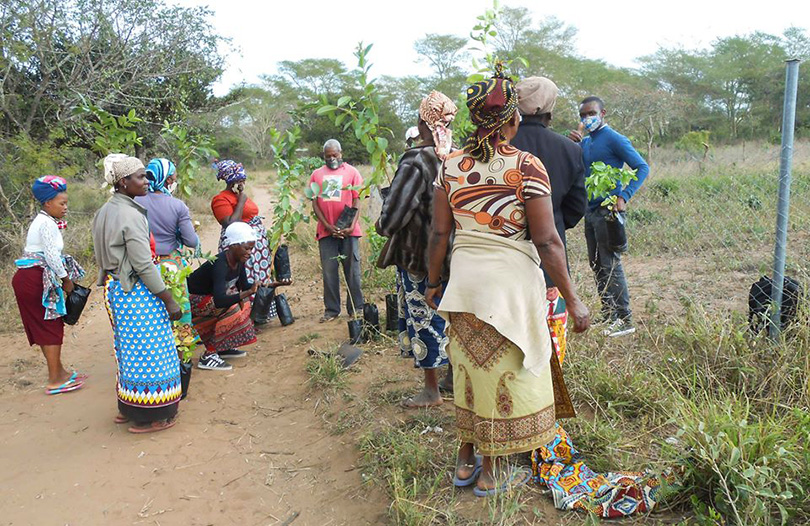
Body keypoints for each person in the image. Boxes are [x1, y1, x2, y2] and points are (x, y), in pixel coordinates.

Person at [426, 70, 590, 496]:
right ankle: (493, 472)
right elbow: (548, 240)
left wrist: (431, 284)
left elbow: (440, 235)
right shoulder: (525, 167)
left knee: (467, 372)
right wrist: (574, 301)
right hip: (509, 291)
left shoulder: (450, 167)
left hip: (463, 288)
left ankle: (465, 462)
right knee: (501, 375)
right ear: (512, 121)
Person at [377, 91, 457, 408]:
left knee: (423, 317)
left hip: (420, 257)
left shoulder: (416, 161)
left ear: (421, 122)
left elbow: (394, 214)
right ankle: (454, 377)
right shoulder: (456, 157)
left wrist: (382, 226)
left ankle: (431, 390)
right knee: (454, 315)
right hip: (456, 254)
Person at [92, 154, 183, 434]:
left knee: (129, 351)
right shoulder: (130, 214)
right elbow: (143, 263)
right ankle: (155, 415)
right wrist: (168, 298)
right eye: (141, 177)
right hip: (135, 292)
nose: (146, 181)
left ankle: (129, 409)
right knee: (154, 352)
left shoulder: (105, 210)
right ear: (123, 182)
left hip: (114, 289)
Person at [512, 76, 587, 363]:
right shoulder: (570, 150)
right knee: (548, 339)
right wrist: (553, 223)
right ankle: (548, 395)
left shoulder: (501, 147)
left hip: (506, 255)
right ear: (550, 111)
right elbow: (576, 207)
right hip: (549, 262)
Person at [568, 96, 649, 337]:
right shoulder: (586, 142)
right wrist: (573, 145)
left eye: (591, 113)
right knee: (596, 263)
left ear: (603, 113)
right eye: (582, 115)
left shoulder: (614, 139)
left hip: (608, 210)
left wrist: (623, 196)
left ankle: (624, 319)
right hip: (590, 210)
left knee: (610, 262)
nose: (587, 118)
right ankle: (609, 313)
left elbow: (642, 167)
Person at [12, 176, 87, 395]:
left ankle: (59, 372)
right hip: (35, 279)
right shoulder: (46, 224)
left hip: (29, 278)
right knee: (51, 326)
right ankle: (55, 379)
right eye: (61, 203)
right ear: (47, 203)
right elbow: (52, 257)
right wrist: (67, 280)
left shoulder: (44, 220)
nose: (65, 207)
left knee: (46, 326)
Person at [135, 158, 201, 359]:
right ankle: (182, 357)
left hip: (145, 264)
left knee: (152, 311)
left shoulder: (135, 202)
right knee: (179, 308)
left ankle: (157, 356)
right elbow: (190, 240)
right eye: (174, 175)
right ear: (168, 179)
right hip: (172, 263)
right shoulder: (177, 205)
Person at [211, 160, 290, 326]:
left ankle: (261, 314)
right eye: (238, 181)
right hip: (238, 247)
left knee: (260, 279)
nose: (242, 184)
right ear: (229, 182)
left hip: (257, 249)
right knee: (243, 282)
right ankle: (245, 319)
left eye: (243, 180)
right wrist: (241, 201)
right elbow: (231, 224)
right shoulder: (220, 199)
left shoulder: (240, 196)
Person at [187, 222, 259, 370]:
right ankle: (208, 355)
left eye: (251, 249)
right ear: (233, 246)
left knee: (243, 302)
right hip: (191, 300)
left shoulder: (238, 260)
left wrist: (270, 284)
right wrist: (246, 293)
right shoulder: (220, 264)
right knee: (232, 307)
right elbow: (220, 300)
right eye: (246, 248)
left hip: (207, 299)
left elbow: (245, 285)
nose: (249, 252)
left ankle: (222, 346)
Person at [309, 139, 364, 322]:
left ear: (341, 153)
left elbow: (357, 200)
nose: (332, 158)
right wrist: (327, 225)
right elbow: (315, 203)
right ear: (323, 156)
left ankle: (356, 308)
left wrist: (351, 225)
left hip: (349, 231)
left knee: (352, 270)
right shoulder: (317, 174)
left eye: (335, 155)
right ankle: (331, 310)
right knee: (329, 271)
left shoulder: (352, 172)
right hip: (327, 232)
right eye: (328, 156)